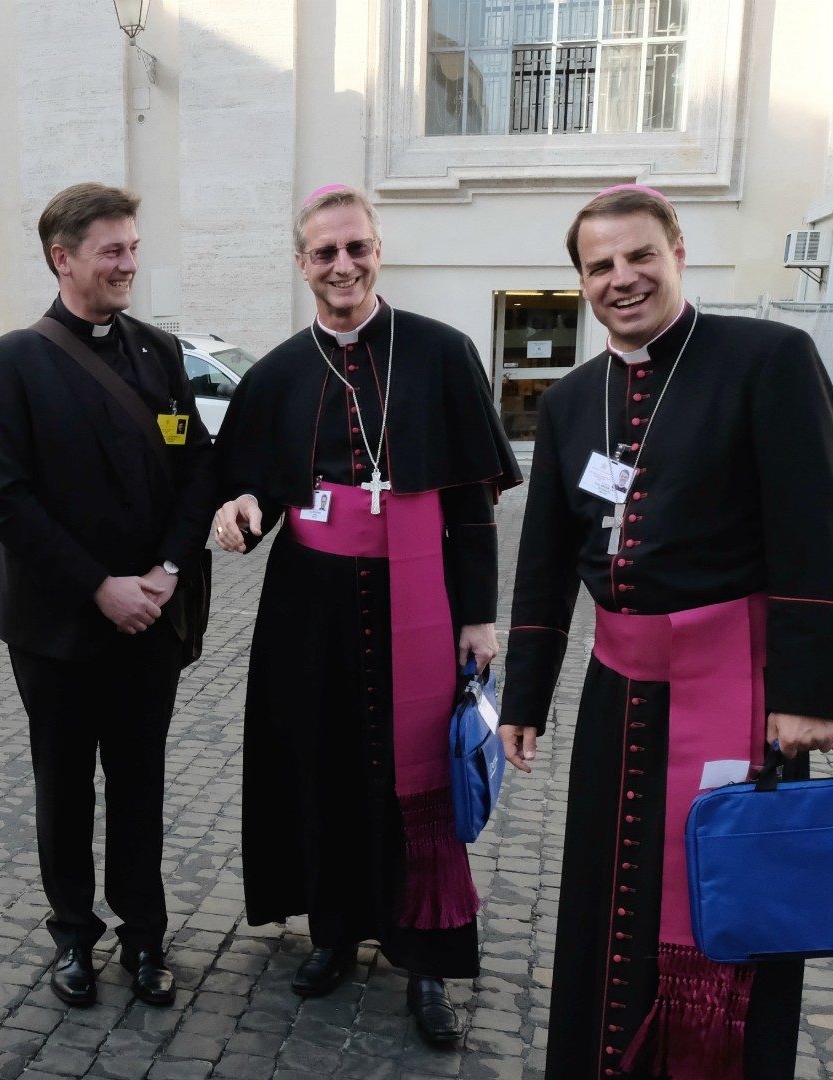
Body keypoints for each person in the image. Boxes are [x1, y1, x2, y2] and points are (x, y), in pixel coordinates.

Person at [501, 185, 833, 1079]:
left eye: (638, 256)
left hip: (739, 696)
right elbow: (547, 555)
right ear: (580, 281)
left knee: (729, 899)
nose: (622, 279)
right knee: (606, 897)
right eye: (599, 266)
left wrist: (810, 698)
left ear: (678, 251)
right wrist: (526, 697)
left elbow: (816, 533)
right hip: (618, 694)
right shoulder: (576, 397)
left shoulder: (768, 359)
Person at [210, 184, 520, 1044]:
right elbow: (252, 485)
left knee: (415, 768)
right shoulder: (276, 372)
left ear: (378, 250)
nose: (342, 265)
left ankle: (427, 960)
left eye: (357, 247)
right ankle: (336, 930)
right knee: (321, 760)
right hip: (308, 605)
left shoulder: (442, 352)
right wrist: (239, 510)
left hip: (418, 598)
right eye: (324, 252)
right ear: (301, 262)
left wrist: (480, 614)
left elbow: (472, 501)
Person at [0, 181, 216, 1009]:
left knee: (140, 787)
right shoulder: (12, 362)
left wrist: (168, 571)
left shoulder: (160, 352)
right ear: (62, 257)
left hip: (151, 617)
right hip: (57, 628)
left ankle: (144, 939)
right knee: (64, 787)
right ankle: (73, 936)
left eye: (134, 248)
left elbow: (197, 475)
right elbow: (6, 498)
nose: (128, 264)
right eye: (112, 251)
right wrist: (100, 587)